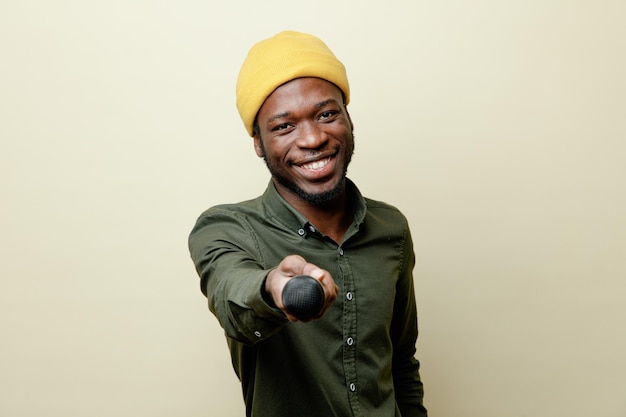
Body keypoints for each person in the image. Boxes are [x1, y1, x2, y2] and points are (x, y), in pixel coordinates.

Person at [188, 30, 427, 417]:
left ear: (348, 117)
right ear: (258, 142)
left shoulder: (392, 228)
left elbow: (401, 360)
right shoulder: (225, 228)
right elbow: (233, 299)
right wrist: (275, 289)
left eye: (326, 114)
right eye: (284, 126)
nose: (313, 138)